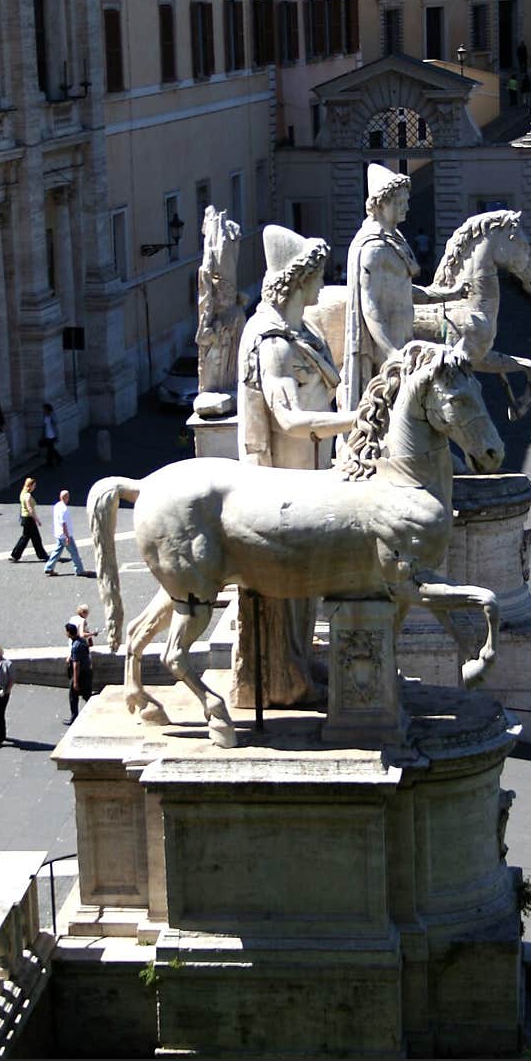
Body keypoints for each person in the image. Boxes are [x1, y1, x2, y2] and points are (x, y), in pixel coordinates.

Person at [233, 226, 356, 708]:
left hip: (311, 475)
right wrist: (354, 419)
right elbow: (287, 418)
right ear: (296, 280)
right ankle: (282, 674)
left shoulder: (303, 331)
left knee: (308, 582)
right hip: (284, 482)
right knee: (291, 583)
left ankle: (299, 662)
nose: (321, 286)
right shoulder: (273, 343)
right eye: (317, 276)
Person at [342, 164, 467, 411]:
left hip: (402, 342)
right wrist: (392, 353)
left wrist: (449, 294)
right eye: (401, 202)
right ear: (382, 203)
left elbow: (404, 291)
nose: (407, 207)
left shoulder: (394, 239)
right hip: (386, 352)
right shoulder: (373, 249)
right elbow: (370, 308)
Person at [44, 489, 86, 577]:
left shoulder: (57, 506)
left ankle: (49, 567)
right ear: (67, 498)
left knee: (57, 552)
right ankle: (79, 570)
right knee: (74, 553)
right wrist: (67, 536)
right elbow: (64, 523)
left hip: (58, 534)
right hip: (65, 535)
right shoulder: (64, 509)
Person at [9, 475, 48, 562]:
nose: (35, 487)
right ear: (30, 486)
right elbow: (30, 509)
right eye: (34, 485)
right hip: (29, 519)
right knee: (31, 538)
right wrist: (37, 520)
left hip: (24, 518)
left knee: (32, 537)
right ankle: (16, 555)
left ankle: (16, 555)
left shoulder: (22, 494)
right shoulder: (28, 496)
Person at [65, 620, 93, 722]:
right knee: (87, 695)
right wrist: (70, 657)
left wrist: (75, 682)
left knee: (73, 696)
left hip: (80, 674)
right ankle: (92, 713)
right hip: (87, 672)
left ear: (69, 633)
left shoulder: (76, 645)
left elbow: (76, 665)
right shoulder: (81, 641)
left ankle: (74, 716)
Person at [40, 403, 61, 467]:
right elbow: (44, 425)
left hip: (52, 435)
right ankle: (59, 458)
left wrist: (51, 416)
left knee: (50, 450)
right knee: (51, 449)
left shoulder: (52, 415)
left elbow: (55, 422)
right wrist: (42, 434)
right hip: (47, 435)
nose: (44, 410)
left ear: (48, 409)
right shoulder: (45, 416)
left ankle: (49, 463)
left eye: (45, 409)